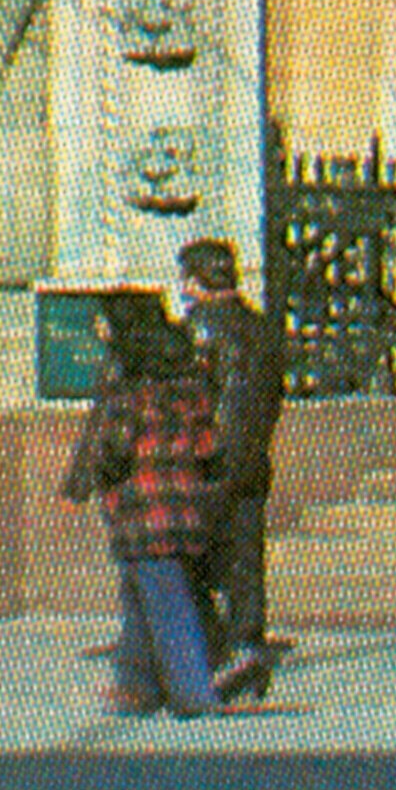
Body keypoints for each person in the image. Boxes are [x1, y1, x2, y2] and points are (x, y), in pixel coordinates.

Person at [57, 286, 235, 722]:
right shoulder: (192, 391)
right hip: (184, 508)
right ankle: (137, 684)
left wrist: (93, 480)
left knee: (167, 599)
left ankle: (193, 691)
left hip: (143, 511)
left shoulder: (130, 395)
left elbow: (111, 448)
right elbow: (210, 447)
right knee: (142, 592)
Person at [173, 235, 286, 694]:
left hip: (209, 461)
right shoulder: (262, 328)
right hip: (253, 459)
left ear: (196, 280)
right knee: (245, 556)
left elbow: (189, 398)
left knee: (192, 558)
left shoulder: (196, 330)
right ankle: (249, 646)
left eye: (184, 276)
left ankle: (212, 654)